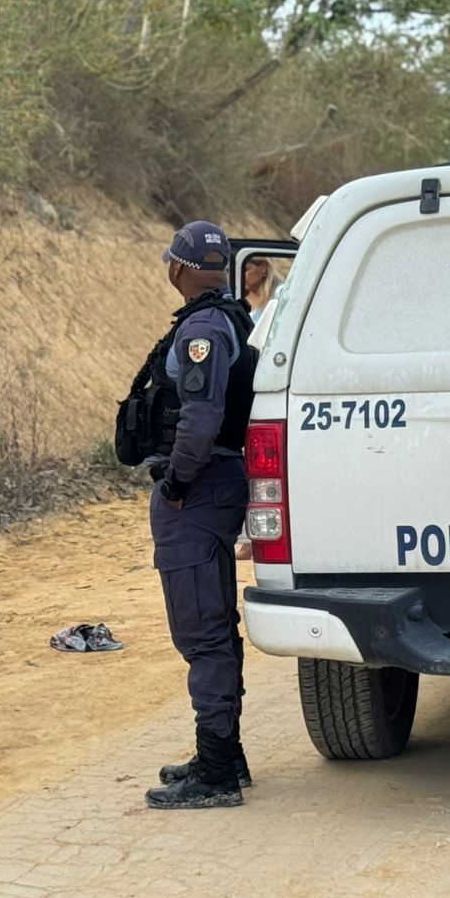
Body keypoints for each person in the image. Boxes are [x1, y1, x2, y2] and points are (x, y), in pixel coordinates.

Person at [141, 221, 257, 810]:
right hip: (217, 483)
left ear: (181, 268)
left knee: (201, 629)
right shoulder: (232, 317)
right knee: (213, 624)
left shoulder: (205, 327)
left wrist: (177, 482)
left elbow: (200, 417)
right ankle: (223, 756)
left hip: (201, 485)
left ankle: (216, 771)